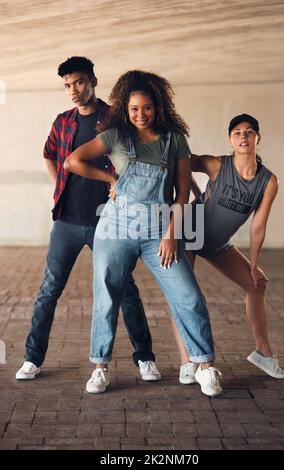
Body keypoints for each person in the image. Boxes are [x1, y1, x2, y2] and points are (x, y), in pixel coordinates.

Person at [64, 70, 223, 396]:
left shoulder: (174, 139)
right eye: (134, 108)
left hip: (158, 231)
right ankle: (100, 368)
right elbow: (73, 162)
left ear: (158, 106)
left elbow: (181, 194)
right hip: (116, 228)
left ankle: (205, 367)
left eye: (147, 107)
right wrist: (110, 181)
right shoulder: (115, 136)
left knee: (188, 295)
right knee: (107, 295)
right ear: (125, 107)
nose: (140, 114)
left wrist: (171, 235)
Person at [16, 57, 161, 382]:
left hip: (108, 222)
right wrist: (59, 187)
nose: (74, 90)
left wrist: (116, 184)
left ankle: (145, 358)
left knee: (125, 290)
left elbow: (135, 160)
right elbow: (49, 153)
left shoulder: (117, 119)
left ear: (93, 80)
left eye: (79, 82)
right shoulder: (63, 121)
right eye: (68, 85)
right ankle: (32, 358)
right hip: (67, 221)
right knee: (49, 289)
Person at [173, 113, 284, 385]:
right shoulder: (217, 165)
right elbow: (182, 161)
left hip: (217, 243)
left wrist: (253, 264)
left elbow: (258, 226)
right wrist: (192, 192)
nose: (243, 136)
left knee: (256, 285)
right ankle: (187, 361)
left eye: (249, 132)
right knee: (185, 295)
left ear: (258, 138)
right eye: (237, 132)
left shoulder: (268, 181)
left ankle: (263, 352)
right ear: (230, 140)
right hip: (189, 232)